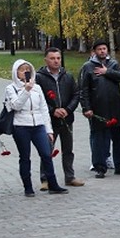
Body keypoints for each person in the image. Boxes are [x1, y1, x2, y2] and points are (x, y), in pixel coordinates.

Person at [5, 59, 68, 196]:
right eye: (22, 70)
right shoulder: (11, 88)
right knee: (25, 157)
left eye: (28, 69)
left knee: (46, 154)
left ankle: (53, 184)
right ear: (16, 73)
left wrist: (48, 129)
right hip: (21, 126)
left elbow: (43, 109)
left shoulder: (37, 87)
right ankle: (28, 187)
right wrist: (26, 90)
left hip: (38, 124)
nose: (25, 72)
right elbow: (16, 105)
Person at [79, 41, 120, 179]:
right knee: (100, 139)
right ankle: (100, 166)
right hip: (98, 108)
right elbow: (83, 89)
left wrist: (107, 72)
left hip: (115, 107)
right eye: (99, 49)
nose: (102, 51)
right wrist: (86, 107)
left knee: (118, 138)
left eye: (104, 49)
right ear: (94, 51)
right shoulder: (88, 67)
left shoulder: (113, 64)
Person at [36, 47, 83, 188]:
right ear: (46, 60)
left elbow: (76, 94)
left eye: (58, 58)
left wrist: (68, 109)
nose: (56, 61)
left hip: (67, 119)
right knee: (47, 149)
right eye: (52, 58)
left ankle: (70, 176)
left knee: (68, 149)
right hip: (50, 120)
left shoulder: (67, 76)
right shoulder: (39, 77)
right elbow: (38, 99)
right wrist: (53, 110)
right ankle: (45, 179)